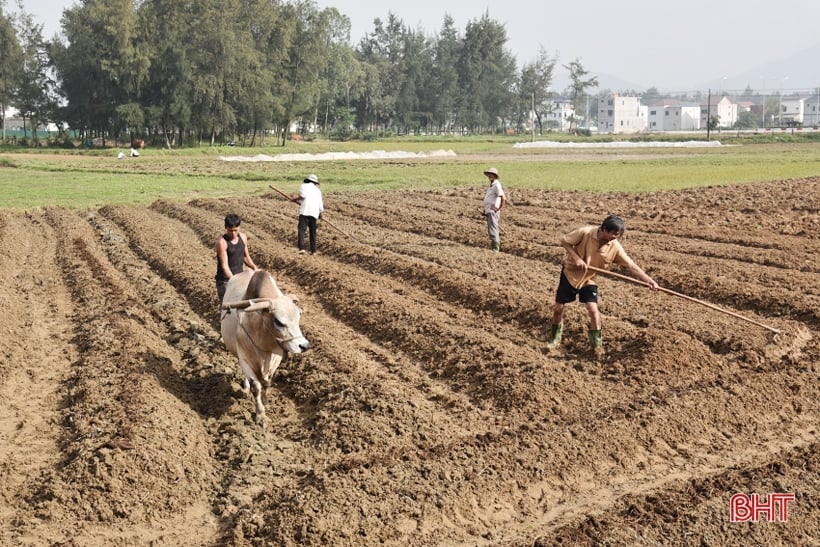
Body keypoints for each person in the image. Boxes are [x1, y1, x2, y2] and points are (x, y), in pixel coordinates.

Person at [545, 215, 658, 357]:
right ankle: (555, 339)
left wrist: (649, 280)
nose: (613, 238)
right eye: (612, 234)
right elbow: (565, 241)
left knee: (593, 309)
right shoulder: (586, 232)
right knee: (558, 308)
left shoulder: (615, 246)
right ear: (603, 229)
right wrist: (577, 258)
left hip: (590, 278)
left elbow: (631, 265)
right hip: (571, 273)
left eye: (617, 236)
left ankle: (596, 346)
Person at [215, 213, 258, 303]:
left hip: (240, 277)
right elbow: (225, 266)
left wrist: (254, 268)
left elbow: (246, 257)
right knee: (228, 308)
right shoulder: (222, 242)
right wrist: (234, 280)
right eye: (230, 231)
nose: (233, 233)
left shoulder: (243, 237)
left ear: (239, 227)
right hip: (225, 281)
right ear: (226, 227)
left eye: (236, 230)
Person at [294, 173, 324, 255]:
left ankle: (301, 248)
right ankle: (313, 251)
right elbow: (320, 204)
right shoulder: (318, 191)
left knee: (301, 230)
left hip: (305, 211)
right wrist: (320, 213)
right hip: (314, 213)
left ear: (308, 180)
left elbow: (302, 196)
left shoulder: (304, 186)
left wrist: (294, 199)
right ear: (315, 183)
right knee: (312, 231)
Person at [482, 167, 506, 252]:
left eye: (492, 175)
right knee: (492, 228)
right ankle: (494, 246)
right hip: (489, 210)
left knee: (493, 229)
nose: (490, 176)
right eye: (489, 174)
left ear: (495, 176)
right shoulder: (491, 185)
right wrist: (486, 210)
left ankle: (495, 248)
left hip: (493, 211)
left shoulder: (496, 185)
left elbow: (503, 198)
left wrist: (498, 209)